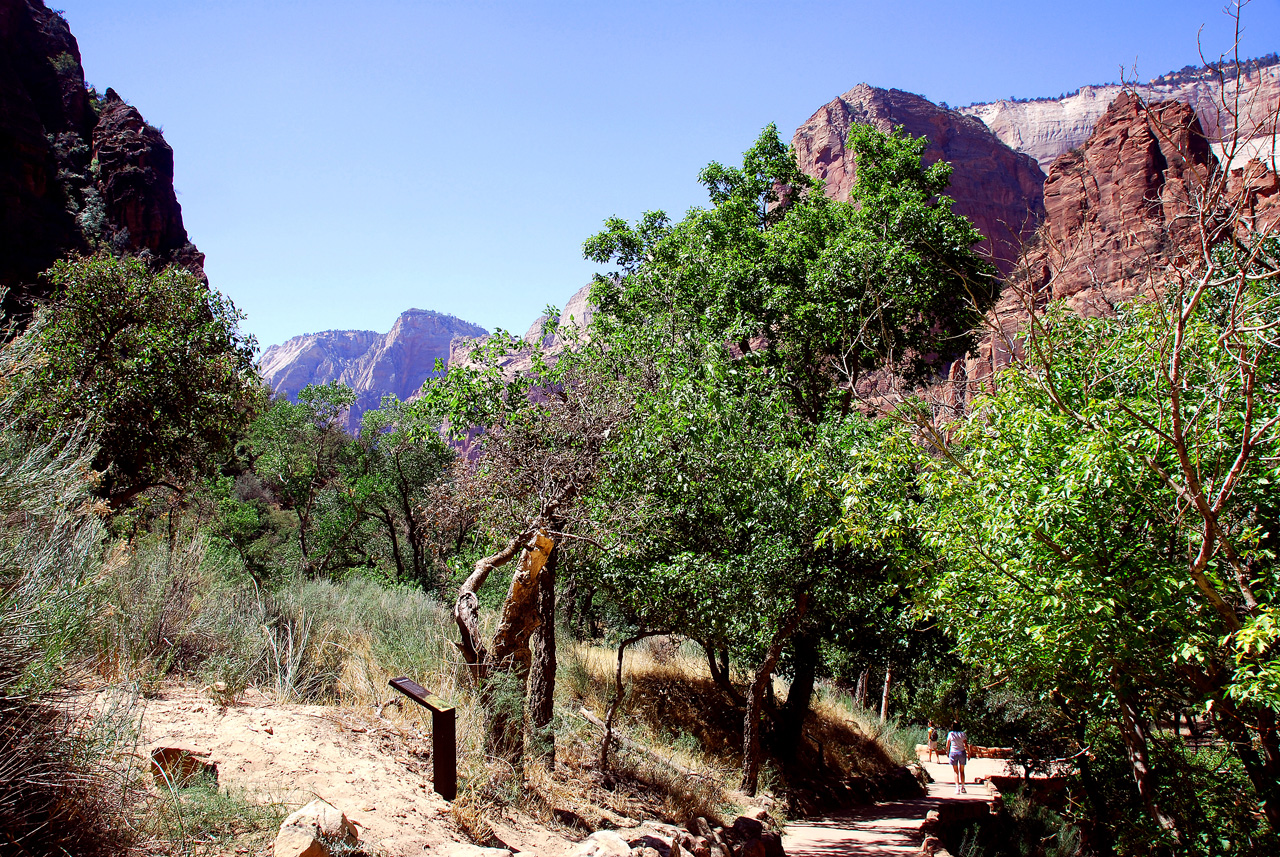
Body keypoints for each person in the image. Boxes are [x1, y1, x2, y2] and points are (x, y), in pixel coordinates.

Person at [946, 721, 968, 794]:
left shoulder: (951, 734)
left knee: (956, 771)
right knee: (962, 771)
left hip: (953, 752)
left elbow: (948, 744)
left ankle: (957, 788)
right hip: (961, 752)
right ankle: (963, 787)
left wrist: (947, 752)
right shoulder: (962, 734)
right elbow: (965, 744)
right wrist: (969, 753)